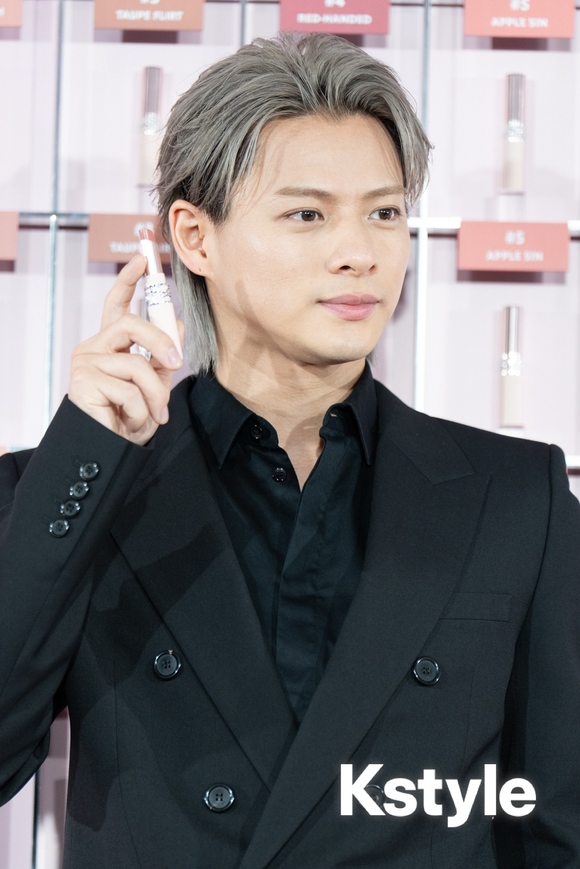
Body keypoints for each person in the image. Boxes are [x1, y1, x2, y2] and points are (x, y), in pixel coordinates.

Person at [0, 32, 579, 869]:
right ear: (195, 238)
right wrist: (85, 453)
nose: (360, 252)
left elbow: (557, 820)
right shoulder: (74, 489)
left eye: (384, 212)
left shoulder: (516, 495)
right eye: (308, 214)